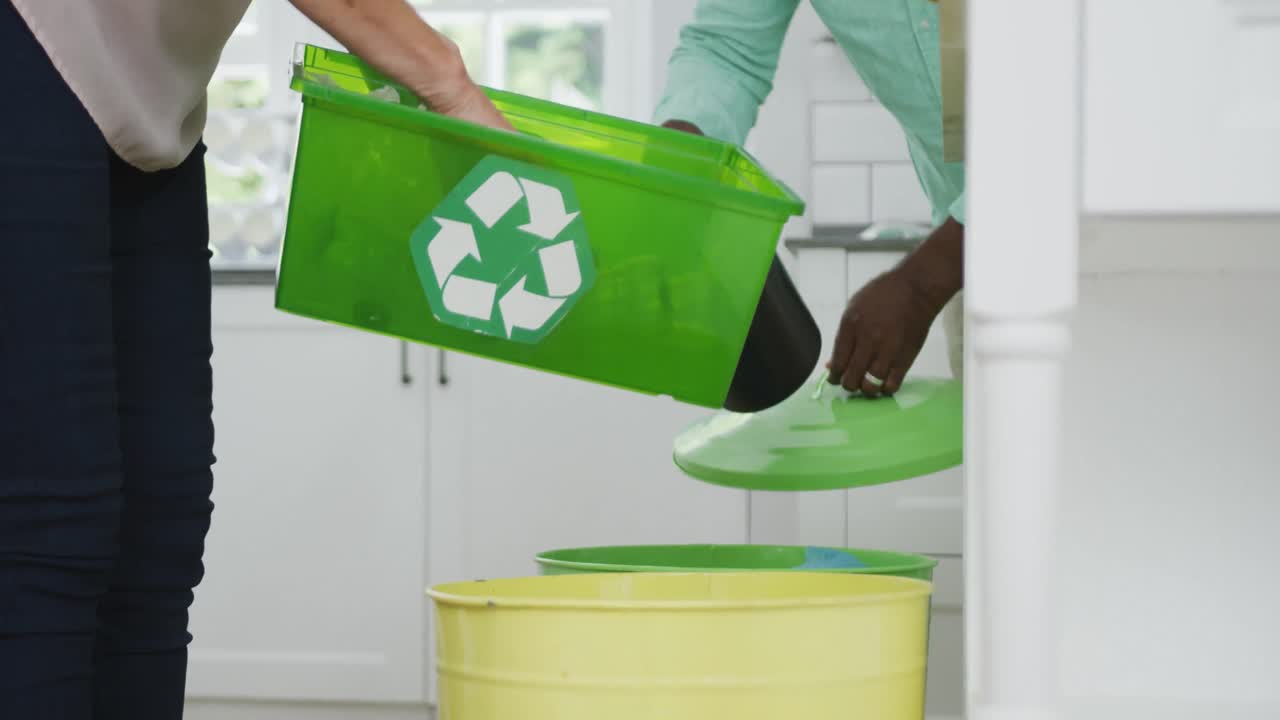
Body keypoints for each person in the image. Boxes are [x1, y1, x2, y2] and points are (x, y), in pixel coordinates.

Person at [0, 2, 508, 718]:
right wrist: (448, 83)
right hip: (35, 35)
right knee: (50, 523)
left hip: (146, 89)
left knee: (161, 526)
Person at [655, 0, 966, 396]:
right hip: (972, 266)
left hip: (1060, 234)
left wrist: (923, 283)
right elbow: (726, 51)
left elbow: (1063, 102)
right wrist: (681, 172)